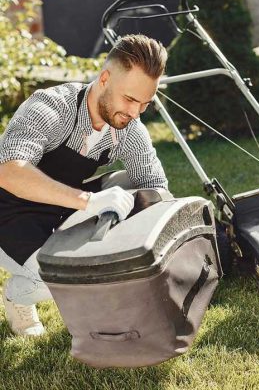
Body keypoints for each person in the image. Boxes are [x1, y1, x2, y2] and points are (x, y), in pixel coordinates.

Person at [0, 34, 169, 336]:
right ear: (105, 78)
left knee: (143, 191)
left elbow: (156, 187)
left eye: (144, 104)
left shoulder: (129, 128)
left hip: (61, 207)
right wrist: (89, 202)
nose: (134, 113)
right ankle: (16, 294)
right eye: (130, 99)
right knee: (62, 281)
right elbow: (9, 171)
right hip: (9, 211)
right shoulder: (50, 107)